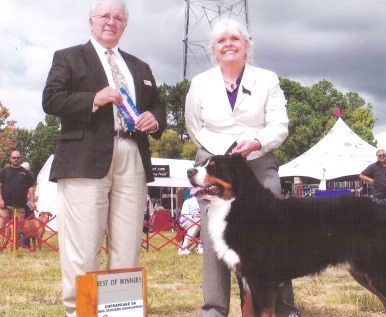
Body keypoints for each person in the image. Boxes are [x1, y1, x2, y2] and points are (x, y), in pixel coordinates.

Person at [42, 1, 166, 315]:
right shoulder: (68, 57)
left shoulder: (140, 66)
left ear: (125, 25)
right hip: (84, 156)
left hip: (132, 155)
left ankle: (119, 311)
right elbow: (51, 98)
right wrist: (94, 99)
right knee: (82, 247)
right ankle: (79, 311)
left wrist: (155, 119)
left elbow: (159, 107)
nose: (111, 22)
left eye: (118, 18)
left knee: (127, 246)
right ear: (91, 21)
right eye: (105, 16)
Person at [185, 18, 301, 317]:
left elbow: (279, 124)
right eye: (221, 41)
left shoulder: (267, 79)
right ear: (214, 49)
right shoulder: (200, 83)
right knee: (214, 235)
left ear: (246, 46)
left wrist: (257, 141)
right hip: (214, 161)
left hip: (257, 161)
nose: (228, 44)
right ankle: (214, 308)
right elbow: (193, 125)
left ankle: (284, 307)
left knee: (273, 234)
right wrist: (218, 153)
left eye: (235, 39)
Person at [0, 152, 37, 249]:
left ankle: (12, 248)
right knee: (1, 228)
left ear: (21, 159)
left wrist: (32, 201)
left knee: (17, 230)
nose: (16, 159)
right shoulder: (4, 171)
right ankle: (1, 247)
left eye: (18, 158)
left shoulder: (26, 173)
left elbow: (31, 187)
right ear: (10, 158)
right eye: (14, 157)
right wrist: (0, 200)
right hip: (5, 206)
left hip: (20, 207)